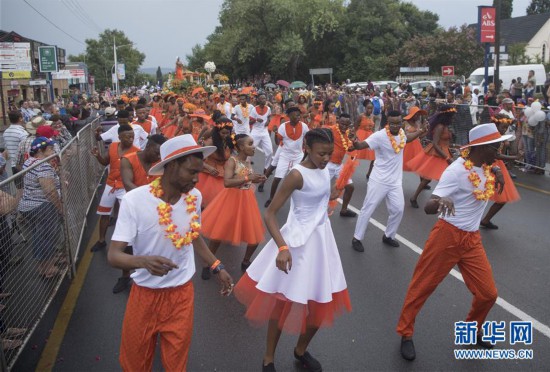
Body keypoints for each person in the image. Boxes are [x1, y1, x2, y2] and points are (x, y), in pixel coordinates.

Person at [108, 134, 233, 371]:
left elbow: (193, 236)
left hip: (181, 294)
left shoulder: (194, 197)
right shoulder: (135, 201)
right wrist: (142, 261)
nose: (197, 179)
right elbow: (114, 255)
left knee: (176, 363)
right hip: (144, 295)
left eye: (199, 173)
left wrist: (217, 265)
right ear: (172, 165)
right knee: (135, 361)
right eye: (192, 172)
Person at [234, 128, 351, 372]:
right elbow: (271, 214)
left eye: (330, 154)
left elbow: (319, 199)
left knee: (320, 301)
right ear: (306, 148)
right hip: (296, 243)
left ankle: (300, 350)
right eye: (322, 154)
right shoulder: (296, 175)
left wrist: (332, 193)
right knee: (281, 303)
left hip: (321, 241)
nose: (326, 159)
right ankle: (268, 358)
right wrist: (282, 247)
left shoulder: (325, 169)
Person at [396, 123, 510, 361]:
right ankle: (406, 334)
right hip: (447, 235)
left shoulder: (488, 164)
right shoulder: (456, 171)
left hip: (472, 239)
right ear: (482, 147)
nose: (500, 149)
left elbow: (493, 164)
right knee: (422, 287)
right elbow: (429, 207)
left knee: (488, 294)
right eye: (496, 146)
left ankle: (472, 330)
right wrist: (440, 202)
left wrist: (497, 170)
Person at [351, 111, 426, 252]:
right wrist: (355, 143)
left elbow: (407, 139)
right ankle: (357, 238)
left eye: (398, 123)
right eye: (392, 123)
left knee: (398, 209)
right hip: (378, 180)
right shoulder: (380, 136)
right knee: (368, 209)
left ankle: (388, 236)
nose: (396, 126)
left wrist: (421, 132)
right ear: (388, 123)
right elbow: (362, 145)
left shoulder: (402, 133)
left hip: (395, 181)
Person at [201, 134, 266, 279]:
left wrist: (257, 179)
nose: (253, 146)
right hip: (230, 199)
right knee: (218, 234)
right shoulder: (232, 161)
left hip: (247, 199)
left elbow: (245, 179)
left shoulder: (248, 161)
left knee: (254, 235)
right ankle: (208, 263)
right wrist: (249, 178)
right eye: (250, 144)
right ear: (241, 147)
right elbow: (227, 182)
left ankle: (245, 261)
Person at [109, 134, 167, 294]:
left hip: (157, 209)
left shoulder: (162, 162)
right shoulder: (128, 159)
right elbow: (128, 184)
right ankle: (125, 276)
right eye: (156, 152)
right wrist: (151, 200)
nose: (158, 156)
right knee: (127, 244)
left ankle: (153, 273)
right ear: (148, 146)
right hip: (134, 207)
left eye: (161, 154)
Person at [90, 124, 140, 253]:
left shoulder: (137, 151)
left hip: (124, 187)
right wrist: (97, 156)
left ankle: (128, 245)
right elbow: (105, 162)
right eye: (127, 136)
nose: (131, 139)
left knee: (127, 217)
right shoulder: (113, 147)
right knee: (104, 214)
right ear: (119, 137)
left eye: (132, 136)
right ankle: (101, 240)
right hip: (110, 185)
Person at [18, 137, 63, 278]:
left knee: (39, 236)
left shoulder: (29, 161)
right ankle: (48, 268)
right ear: (40, 151)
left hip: (29, 206)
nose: (52, 151)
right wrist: (60, 208)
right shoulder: (43, 165)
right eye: (49, 148)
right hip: (41, 207)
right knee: (46, 237)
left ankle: (45, 263)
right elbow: (49, 191)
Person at [407, 105, 457, 208]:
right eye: (451, 116)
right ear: (446, 116)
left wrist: (455, 146)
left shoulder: (446, 126)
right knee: (428, 179)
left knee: (446, 179)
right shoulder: (440, 127)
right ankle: (414, 198)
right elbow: (435, 144)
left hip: (445, 154)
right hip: (437, 154)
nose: (453, 118)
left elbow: (446, 142)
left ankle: (441, 201)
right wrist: (447, 158)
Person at [480, 115, 522, 229]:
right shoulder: (493, 137)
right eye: (503, 127)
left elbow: (499, 155)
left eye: (506, 128)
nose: (504, 130)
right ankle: (479, 219)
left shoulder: (500, 136)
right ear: (495, 125)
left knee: (502, 197)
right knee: (480, 193)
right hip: (489, 166)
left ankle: (485, 220)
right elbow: (496, 155)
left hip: (498, 166)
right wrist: (515, 157)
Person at [264, 107, 309, 208]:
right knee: (277, 178)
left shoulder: (304, 126)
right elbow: (277, 142)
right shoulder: (283, 127)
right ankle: (271, 198)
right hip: (285, 155)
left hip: (298, 156)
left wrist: (304, 157)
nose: (298, 117)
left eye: (299, 115)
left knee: (298, 180)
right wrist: (276, 133)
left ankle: (298, 203)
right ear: (289, 116)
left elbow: (307, 140)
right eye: (296, 115)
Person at [195, 117, 233, 208]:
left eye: (227, 133)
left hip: (223, 173)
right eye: (223, 133)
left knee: (222, 205)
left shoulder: (229, 141)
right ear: (217, 132)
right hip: (208, 174)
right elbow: (196, 158)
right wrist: (208, 167)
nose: (225, 135)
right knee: (205, 204)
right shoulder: (211, 142)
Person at [327, 113, 357, 217]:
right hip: (327, 165)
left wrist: (354, 141)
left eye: (347, 124)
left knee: (350, 187)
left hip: (339, 166)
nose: (344, 126)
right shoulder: (330, 130)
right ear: (338, 121)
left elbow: (350, 148)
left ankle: (344, 210)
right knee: (321, 189)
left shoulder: (348, 133)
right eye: (342, 124)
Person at [249, 93, 273, 192]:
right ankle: (246, 169)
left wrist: (268, 121)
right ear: (258, 100)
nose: (264, 99)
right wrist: (255, 120)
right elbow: (250, 122)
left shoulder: (268, 108)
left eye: (264, 98)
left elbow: (270, 117)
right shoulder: (254, 109)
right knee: (249, 150)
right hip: (255, 132)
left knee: (270, 152)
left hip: (264, 132)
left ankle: (266, 168)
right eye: (262, 98)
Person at [3, 111, 29, 181]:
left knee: (19, 187)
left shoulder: (6, 132)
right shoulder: (22, 133)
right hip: (23, 164)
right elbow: (26, 149)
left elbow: (7, 148)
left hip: (13, 164)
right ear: (20, 118)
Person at [354, 99, 376, 179]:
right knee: (354, 155)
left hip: (370, 137)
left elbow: (373, 128)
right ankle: (348, 171)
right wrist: (354, 137)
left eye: (371, 108)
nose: (369, 110)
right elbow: (355, 127)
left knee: (374, 158)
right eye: (368, 108)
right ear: (365, 108)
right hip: (360, 135)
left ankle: (369, 173)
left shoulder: (373, 116)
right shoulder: (361, 116)